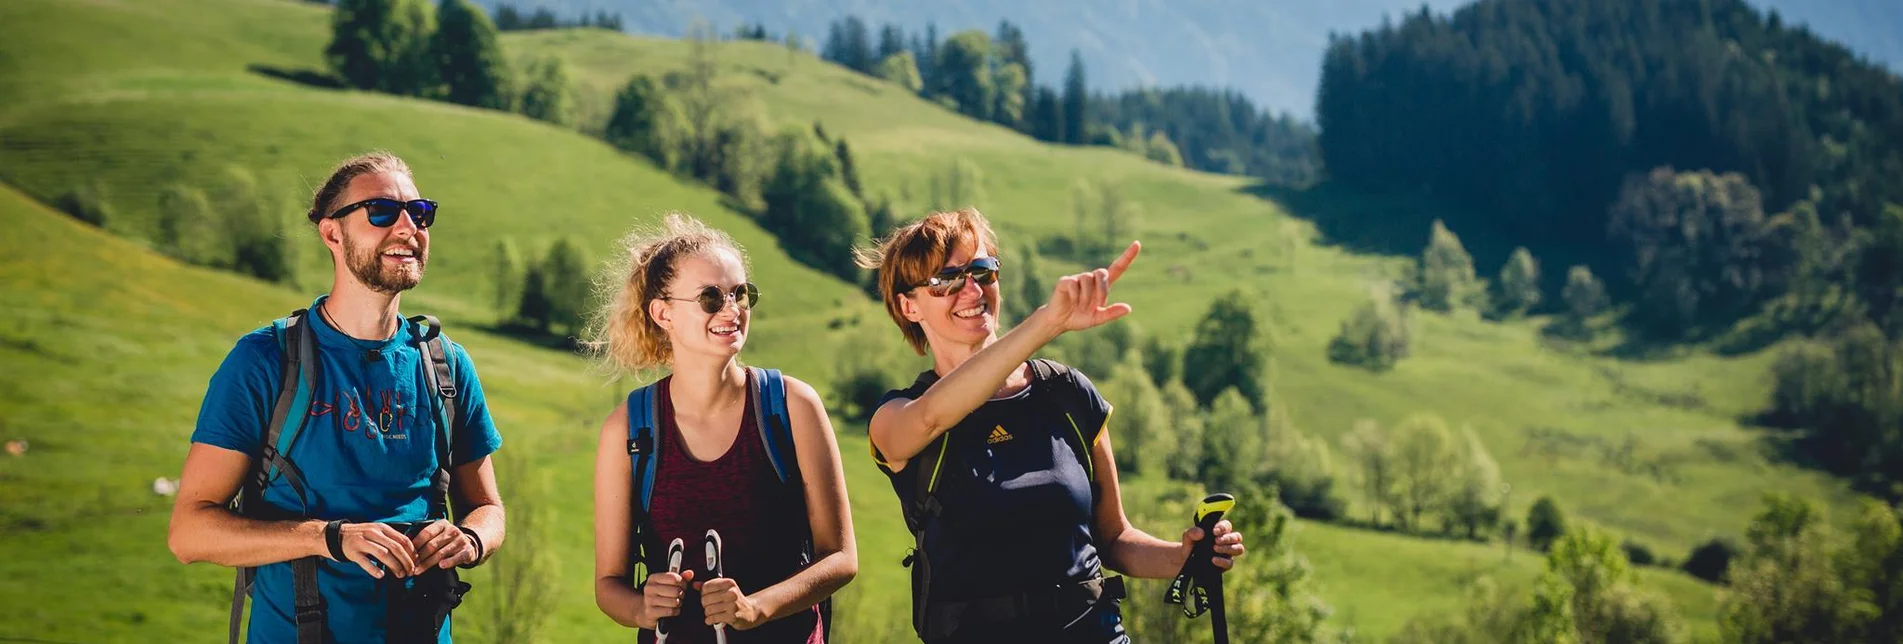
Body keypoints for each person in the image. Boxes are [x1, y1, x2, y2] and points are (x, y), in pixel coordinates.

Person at [856, 207, 1246, 643]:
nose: (971, 289)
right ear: (909, 306)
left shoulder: (1067, 394)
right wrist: (1048, 322)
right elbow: (933, 416)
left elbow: (1113, 538)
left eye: (982, 270)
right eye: (946, 279)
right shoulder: (897, 418)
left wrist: (1184, 556)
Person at [167, 151, 505, 643]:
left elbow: (489, 508)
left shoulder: (446, 365)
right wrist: (327, 538)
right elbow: (189, 532)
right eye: (382, 212)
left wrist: (470, 539)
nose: (408, 226)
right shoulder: (265, 362)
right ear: (332, 233)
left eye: (420, 212)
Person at [590, 213, 856, 643]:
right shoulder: (627, 429)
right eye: (711, 298)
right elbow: (609, 584)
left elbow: (841, 557)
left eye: (740, 294)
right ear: (663, 313)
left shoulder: (792, 406)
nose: (732, 310)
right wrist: (641, 607)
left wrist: (757, 608)